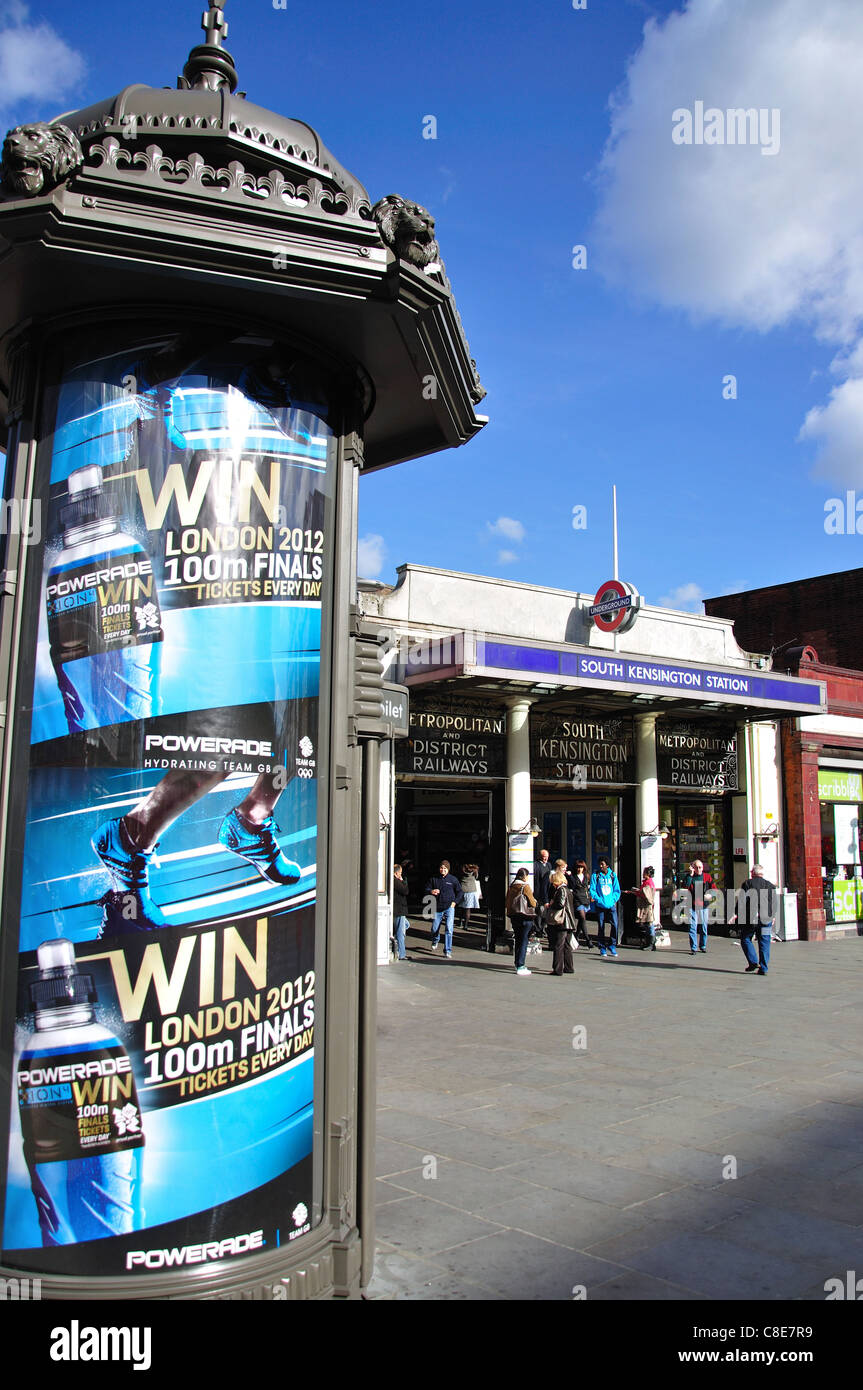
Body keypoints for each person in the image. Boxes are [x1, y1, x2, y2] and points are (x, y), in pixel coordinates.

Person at [731, 864, 777, 975]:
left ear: (752, 873)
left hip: (751, 919)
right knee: (765, 942)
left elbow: (742, 901)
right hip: (766, 919)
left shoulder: (747, 884)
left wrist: (736, 913)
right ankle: (764, 968)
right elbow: (773, 903)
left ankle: (753, 962)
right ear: (762, 873)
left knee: (746, 938)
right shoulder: (770, 886)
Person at [425, 860, 464, 958]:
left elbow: (460, 892)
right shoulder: (434, 879)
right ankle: (435, 939)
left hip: (449, 907)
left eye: (445, 868)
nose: (443, 870)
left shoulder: (453, 880)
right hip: (437, 907)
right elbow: (426, 888)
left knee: (449, 929)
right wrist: (431, 891)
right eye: (441, 868)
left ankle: (447, 950)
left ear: (448, 869)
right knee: (434, 928)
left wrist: (455, 902)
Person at [505, 867, 537, 976]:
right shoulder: (525, 886)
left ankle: (517, 962)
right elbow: (532, 903)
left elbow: (507, 901)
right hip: (525, 916)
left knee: (518, 939)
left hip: (514, 916)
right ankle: (521, 965)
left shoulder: (512, 886)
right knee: (524, 941)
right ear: (524, 876)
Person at [681, 858, 715, 955]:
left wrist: (710, 895)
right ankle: (694, 948)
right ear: (693, 868)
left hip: (703, 905)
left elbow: (714, 888)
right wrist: (690, 875)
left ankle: (703, 946)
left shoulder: (707, 877)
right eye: (697, 867)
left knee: (704, 927)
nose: (699, 869)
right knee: (693, 927)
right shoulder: (689, 877)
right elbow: (685, 887)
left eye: (700, 867)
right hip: (692, 905)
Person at [590, 857, 621, 958]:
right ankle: (602, 947)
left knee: (615, 924)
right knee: (601, 926)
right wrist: (599, 900)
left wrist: (613, 900)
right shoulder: (595, 876)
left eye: (602, 864)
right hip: (600, 905)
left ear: (607, 865)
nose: (600, 866)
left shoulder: (612, 875)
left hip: (611, 905)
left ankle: (612, 945)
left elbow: (617, 890)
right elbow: (593, 890)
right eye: (599, 864)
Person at [546, 869, 575, 976]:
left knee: (559, 945)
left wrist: (551, 905)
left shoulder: (561, 890)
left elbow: (560, 904)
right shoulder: (568, 890)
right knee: (567, 946)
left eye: (553, 881)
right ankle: (569, 967)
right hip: (569, 921)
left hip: (563, 922)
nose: (552, 884)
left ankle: (557, 969)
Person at [570, 859, 593, 948]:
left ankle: (576, 937)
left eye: (581, 867)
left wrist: (591, 896)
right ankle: (588, 939)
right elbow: (572, 889)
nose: (580, 869)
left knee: (581, 920)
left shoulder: (586, 877)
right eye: (578, 867)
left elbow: (589, 888)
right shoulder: (573, 877)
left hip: (585, 900)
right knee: (582, 917)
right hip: (577, 900)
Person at [635, 866, 658, 951]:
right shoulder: (647, 882)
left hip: (647, 906)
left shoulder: (648, 883)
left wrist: (637, 892)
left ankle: (651, 944)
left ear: (648, 874)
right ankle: (649, 943)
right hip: (645, 906)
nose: (642, 874)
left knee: (649, 924)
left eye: (644, 872)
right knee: (647, 925)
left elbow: (646, 895)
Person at [393, 862, 411, 962]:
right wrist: (403, 881)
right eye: (400, 873)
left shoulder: (393, 881)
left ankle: (397, 945)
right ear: (396, 873)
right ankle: (401, 953)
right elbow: (405, 891)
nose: (401, 874)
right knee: (400, 931)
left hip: (399, 909)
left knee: (405, 925)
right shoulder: (396, 881)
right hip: (399, 909)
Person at [459, 863, 482, 930]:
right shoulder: (474, 872)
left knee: (461, 908)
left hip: (462, 890)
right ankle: (465, 925)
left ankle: (460, 921)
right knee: (468, 909)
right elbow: (477, 877)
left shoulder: (462, 872)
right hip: (471, 891)